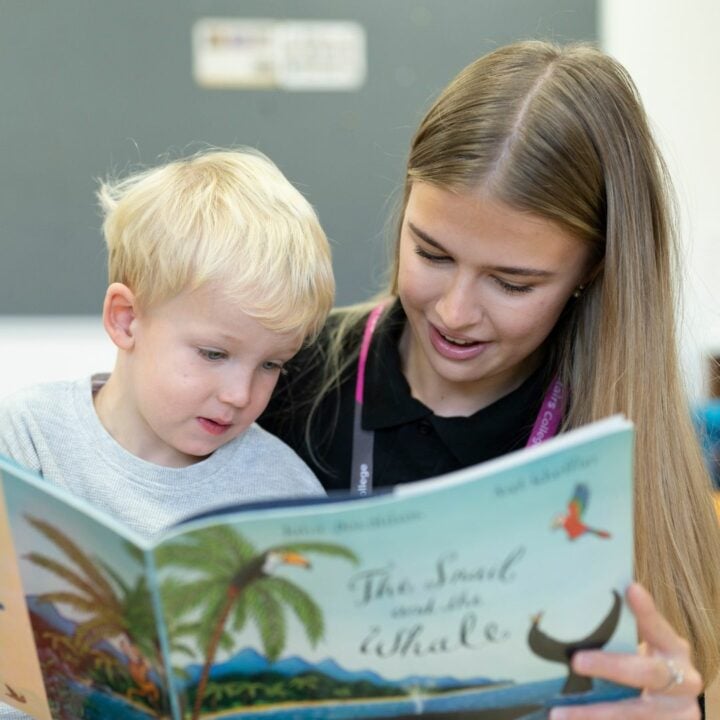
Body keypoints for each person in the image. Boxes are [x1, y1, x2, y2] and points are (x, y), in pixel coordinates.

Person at [260, 41, 720, 718]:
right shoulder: (283, 377)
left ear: (593, 270)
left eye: (512, 282)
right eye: (432, 252)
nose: (454, 313)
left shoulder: (627, 454)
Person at [0, 149, 334, 720]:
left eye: (271, 365)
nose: (239, 393)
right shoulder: (23, 440)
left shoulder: (285, 491)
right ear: (126, 319)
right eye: (214, 353)